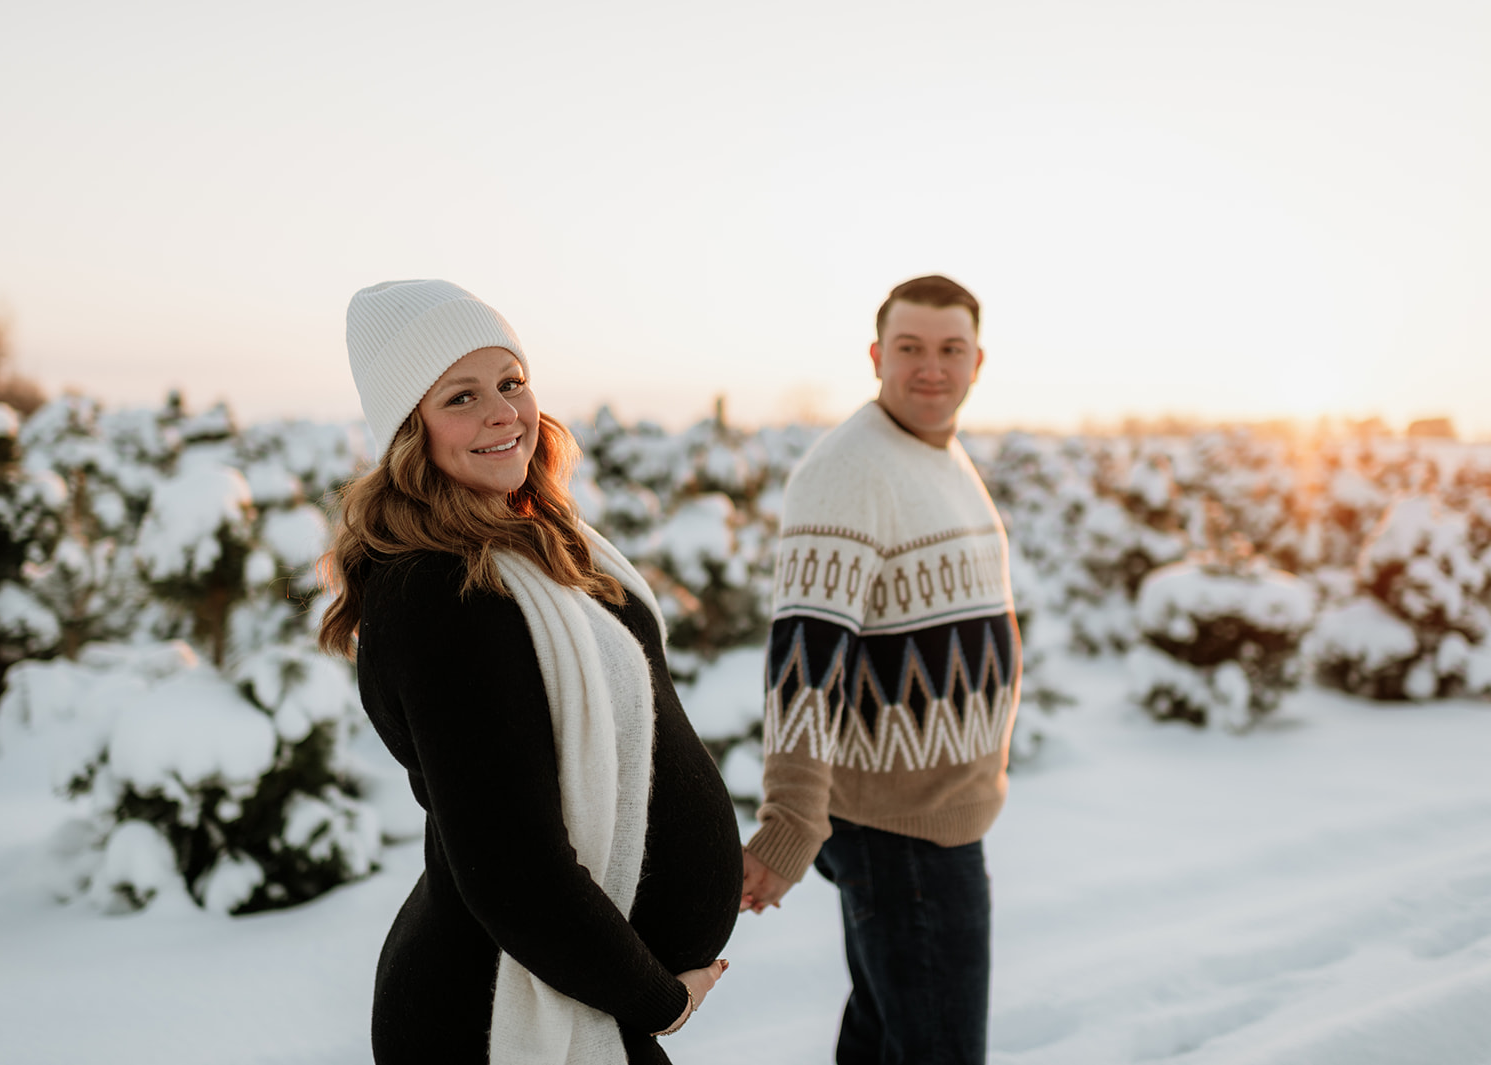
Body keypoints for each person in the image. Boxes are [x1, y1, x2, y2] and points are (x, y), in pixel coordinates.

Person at [319, 280, 741, 1064]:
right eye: (461, 396)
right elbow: (512, 868)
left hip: (583, 990)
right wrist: (662, 999)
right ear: (410, 429)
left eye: (511, 381)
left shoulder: (536, 537)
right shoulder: (437, 590)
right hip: (498, 1014)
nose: (502, 411)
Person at [740, 275, 1020, 1065]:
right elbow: (805, 659)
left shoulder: (937, 453)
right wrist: (791, 820)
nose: (930, 367)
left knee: (888, 1034)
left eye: (949, 349)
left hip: (935, 812)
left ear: (977, 361)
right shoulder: (850, 468)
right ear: (876, 356)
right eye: (910, 348)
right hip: (898, 827)